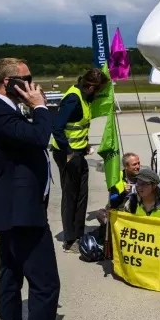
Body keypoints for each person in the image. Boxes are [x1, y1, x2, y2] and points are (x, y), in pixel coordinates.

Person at [0, 58, 61, 320]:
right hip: (21, 213)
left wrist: (33, 110)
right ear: (8, 82)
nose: (33, 84)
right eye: (27, 79)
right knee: (45, 287)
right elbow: (40, 137)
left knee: (11, 282)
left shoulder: (4, 110)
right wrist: (40, 107)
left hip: (14, 209)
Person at [51, 68, 111, 253]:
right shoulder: (73, 98)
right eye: (99, 90)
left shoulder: (85, 98)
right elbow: (57, 128)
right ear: (91, 86)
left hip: (78, 153)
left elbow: (77, 128)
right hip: (67, 154)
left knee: (82, 194)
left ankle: (78, 232)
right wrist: (69, 153)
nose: (100, 94)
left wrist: (84, 146)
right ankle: (69, 241)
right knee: (71, 196)